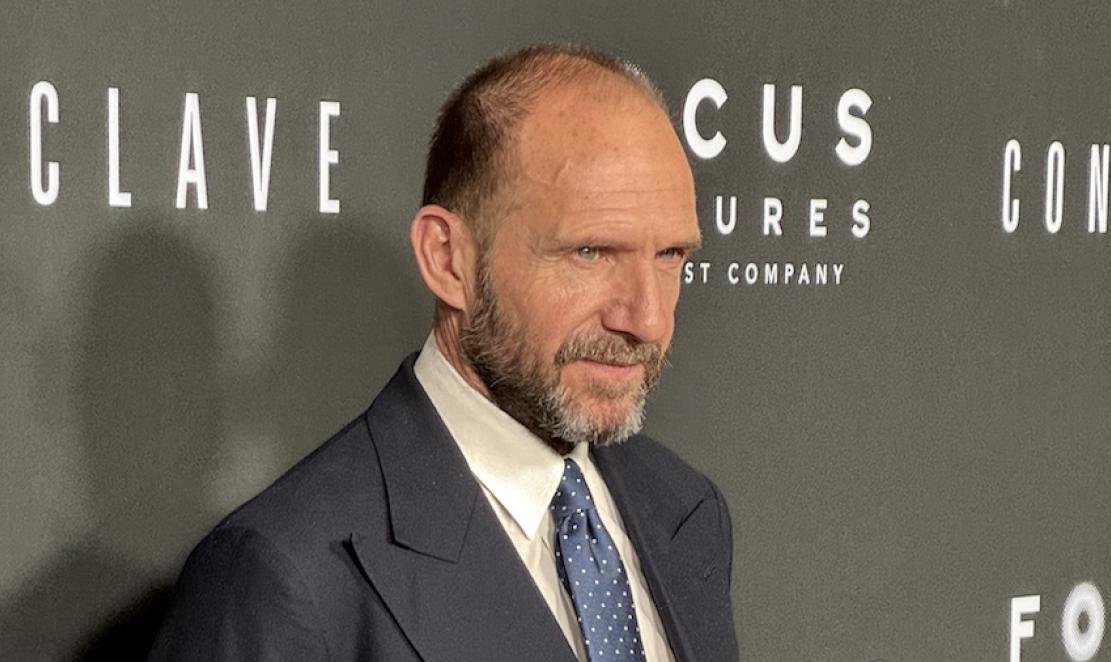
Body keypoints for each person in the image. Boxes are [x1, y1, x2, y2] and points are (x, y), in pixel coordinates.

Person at [149, 44, 738, 662]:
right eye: (589, 253)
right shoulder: (286, 577)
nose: (645, 318)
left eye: (671, 256)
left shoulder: (684, 509)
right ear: (447, 259)